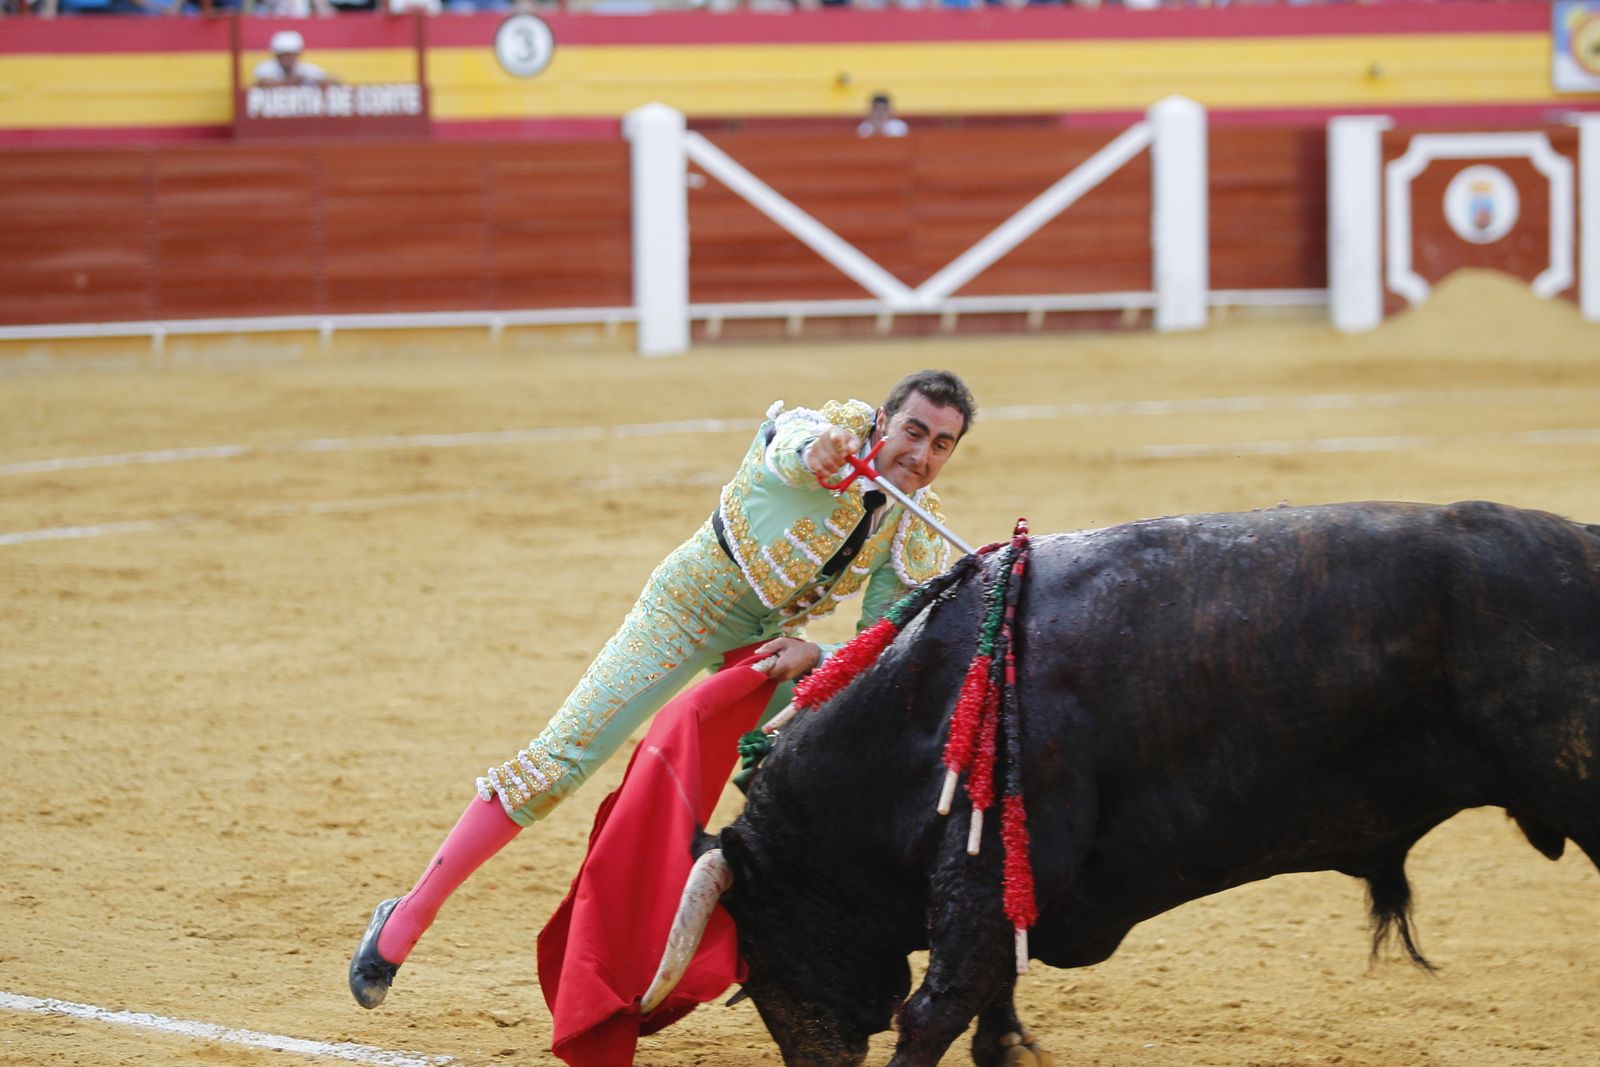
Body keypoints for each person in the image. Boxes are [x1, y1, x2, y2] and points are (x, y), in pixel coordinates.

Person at [349, 369, 977, 1010]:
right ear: (882, 420)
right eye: (912, 432)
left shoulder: (913, 526)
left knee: (815, 776)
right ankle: (410, 912)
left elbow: (881, 649)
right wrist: (817, 453)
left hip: (768, 644)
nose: (920, 456)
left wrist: (818, 653)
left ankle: (770, 947)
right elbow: (792, 448)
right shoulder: (829, 438)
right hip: (685, 608)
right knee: (560, 761)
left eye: (941, 446)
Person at [253, 31, 339, 88]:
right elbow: (264, 84)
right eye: (284, 55)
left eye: (291, 55)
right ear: (277, 56)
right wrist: (293, 81)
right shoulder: (266, 67)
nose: (288, 58)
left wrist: (315, 80)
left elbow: (334, 81)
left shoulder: (304, 69)